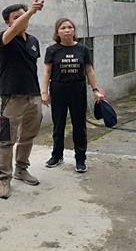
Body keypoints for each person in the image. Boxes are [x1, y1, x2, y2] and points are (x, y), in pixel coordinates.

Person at [0, 0, 44, 199]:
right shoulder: (3, 38)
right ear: (8, 22)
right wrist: (31, 11)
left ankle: (21, 170)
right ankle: (4, 179)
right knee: (7, 140)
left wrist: (41, 94)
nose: (23, 19)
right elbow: (12, 33)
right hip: (11, 97)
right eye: (17, 17)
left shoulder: (33, 41)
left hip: (33, 96)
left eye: (23, 15)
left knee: (28, 136)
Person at [41, 18, 104, 172]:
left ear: (74, 31)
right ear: (57, 32)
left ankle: (80, 159)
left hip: (78, 89)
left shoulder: (82, 49)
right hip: (58, 89)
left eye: (70, 27)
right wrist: (44, 92)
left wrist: (95, 89)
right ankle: (57, 155)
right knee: (58, 124)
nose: (67, 30)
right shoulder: (52, 50)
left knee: (79, 125)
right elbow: (47, 72)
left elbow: (89, 70)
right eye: (63, 28)